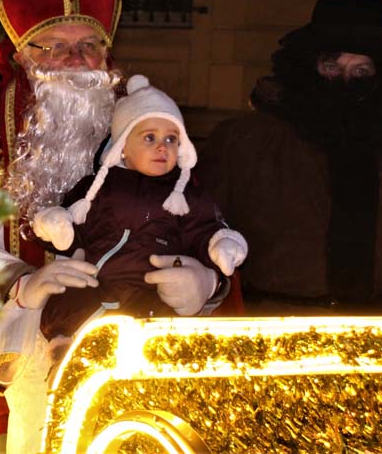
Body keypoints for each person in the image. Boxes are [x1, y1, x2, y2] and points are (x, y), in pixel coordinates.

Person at [0, 0, 228, 454]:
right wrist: (21, 282)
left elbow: (200, 218)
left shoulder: (140, 123)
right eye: (54, 47)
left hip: (131, 345)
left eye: (89, 45)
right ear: (21, 52)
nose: (75, 61)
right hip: (16, 345)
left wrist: (207, 284)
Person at [198, 0, 382, 315]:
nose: (346, 81)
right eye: (332, 66)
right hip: (269, 331)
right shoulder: (242, 143)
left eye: (361, 71)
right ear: (308, 66)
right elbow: (196, 229)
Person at [30, 74, 247, 343]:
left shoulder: (185, 195)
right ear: (123, 147)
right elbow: (76, 233)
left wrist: (220, 246)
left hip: (150, 287)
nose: (162, 147)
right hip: (99, 282)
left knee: (155, 323)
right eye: (150, 138)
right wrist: (57, 227)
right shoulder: (98, 189)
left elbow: (203, 230)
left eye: (171, 139)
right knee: (69, 300)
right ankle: (64, 346)